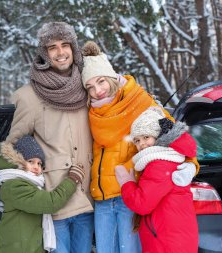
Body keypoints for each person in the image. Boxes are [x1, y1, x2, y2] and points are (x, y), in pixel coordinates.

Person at [81, 41, 199, 253]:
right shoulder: (91, 113)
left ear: (110, 77)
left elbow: (175, 137)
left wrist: (191, 165)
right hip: (102, 199)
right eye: (90, 87)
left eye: (101, 82)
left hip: (131, 197)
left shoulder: (139, 102)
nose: (98, 91)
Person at [0, 22, 94, 253]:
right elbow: (13, 145)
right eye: (52, 47)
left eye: (65, 45)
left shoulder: (89, 87)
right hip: (54, 199)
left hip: (88, 196)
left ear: (73, 48)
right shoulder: (30, 97)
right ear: (44, 53)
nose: (60, 52)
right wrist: (0, 181)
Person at [115, 107, 199, 253]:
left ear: (158, 136)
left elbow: (142, 204)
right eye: (137, 140)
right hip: (172, 238)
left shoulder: (159, 163)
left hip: (166, 241)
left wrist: (126, 184)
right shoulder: (168, 158)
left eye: (146, 137)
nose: (142, 144)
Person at [0, 135, 85, 253]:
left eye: (39, 163)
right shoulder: (15, 186)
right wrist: (72, 179)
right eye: (31, 161)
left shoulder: (26, 183)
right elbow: (51, 202)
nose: (36, 167)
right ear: (17, 161)